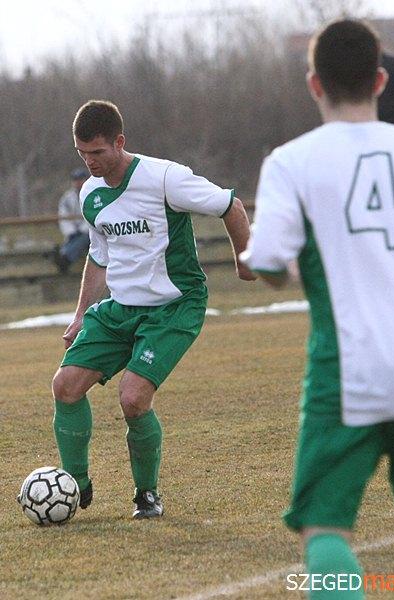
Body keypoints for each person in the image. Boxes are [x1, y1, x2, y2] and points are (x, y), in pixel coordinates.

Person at [241, 20, 394, 600]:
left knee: (324, 524)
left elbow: (270, 262)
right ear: (380, 80)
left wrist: (279, 268)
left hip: (349, 365)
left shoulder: (292, 162)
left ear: (314, 84)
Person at [52, 99, 255, 519]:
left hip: (173, 306)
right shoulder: (91, 194)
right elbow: (99, 258)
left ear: (119, 142)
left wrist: (244, 259)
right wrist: (80, 315)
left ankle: (146, 495)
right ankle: (74, 485)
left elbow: (230, 206)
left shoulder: (165, 178)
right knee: (65, 385)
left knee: (133, 398)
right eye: (82, 153)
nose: (89, 162)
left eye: (97, 152)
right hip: (121, 308)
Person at [55, 168, 90, 273]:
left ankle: (65, 256)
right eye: (75, 179)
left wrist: (81, 230)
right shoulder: (67, 198)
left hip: (90, 231)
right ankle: (64, 256)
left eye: (80, 179)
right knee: (75, 239)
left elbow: (93, 215)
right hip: (74, 232)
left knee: (83, 238)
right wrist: (71, 231)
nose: (78, 182)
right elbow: (63, 217)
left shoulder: (93, 193)